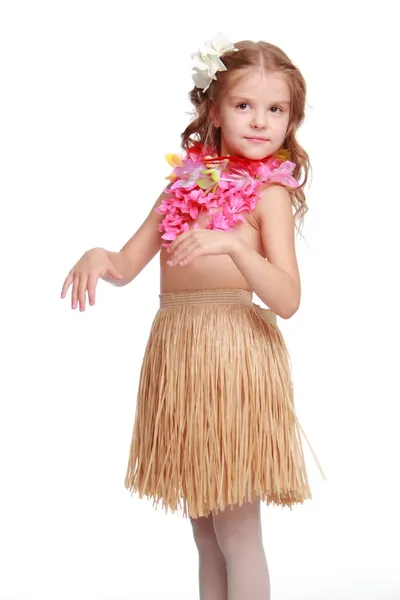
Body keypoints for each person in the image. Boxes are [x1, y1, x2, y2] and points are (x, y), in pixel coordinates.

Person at [61, 33, 326, 600]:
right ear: (213, 109)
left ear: (291, 120)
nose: (260, 122)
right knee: (205, 532)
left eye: (275, 110)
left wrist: (233, 247)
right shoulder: (182, 185)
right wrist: (97, 256)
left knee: (236, 528)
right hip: (180, 351)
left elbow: (287, 299)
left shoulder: (269, 195)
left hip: (232, 353)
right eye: (244, 105)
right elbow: (127, 264)